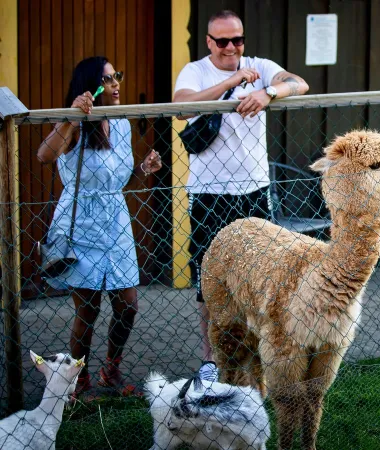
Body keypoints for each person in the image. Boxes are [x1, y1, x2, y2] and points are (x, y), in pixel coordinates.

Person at [173, 10, 309, 382]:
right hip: (209, 191)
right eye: (223, 41)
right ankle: (210, 359)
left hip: (253, 187)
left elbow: (299, 83)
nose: (231, 47)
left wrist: (268, 92)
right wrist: (232, 81)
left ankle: (256, 351)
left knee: (260, 275)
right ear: (208, 42)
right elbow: (183, 106)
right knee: (208, 280)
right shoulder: (197, 71)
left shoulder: (259, 66)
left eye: (238, 40)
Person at [37, 56, 162, 398]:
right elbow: (44, 155)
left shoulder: (120, 122)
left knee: (128, 304)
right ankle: (78, 381)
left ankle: (111, 369)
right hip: (81, 222)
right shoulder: (77, 124)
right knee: (88, 309)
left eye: (117, 76)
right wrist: (72, 116)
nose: (116, 84)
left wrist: (143, 168)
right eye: (107, 79)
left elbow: (122, 179)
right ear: (90, 86)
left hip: (116, 220)